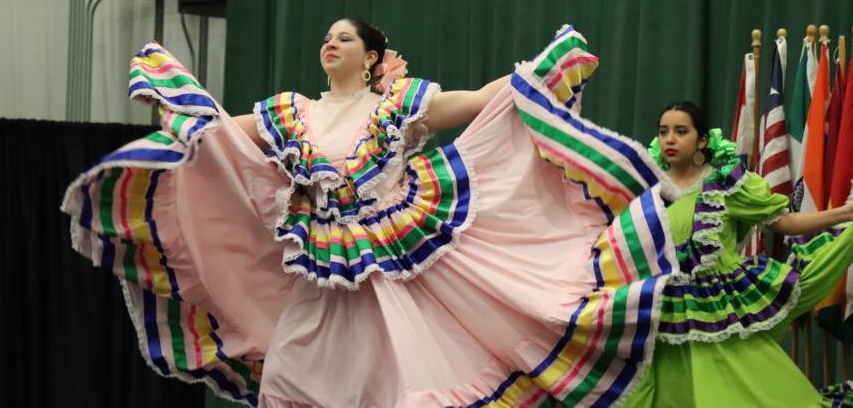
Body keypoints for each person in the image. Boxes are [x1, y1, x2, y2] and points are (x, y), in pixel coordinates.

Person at [61, 21, 678, 407]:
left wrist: (537, 72)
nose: (330, 43)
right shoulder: (290, 111)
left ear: (373, 55)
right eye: (327, 37)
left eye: (345, 37)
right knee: (292, 368)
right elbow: (220, 135)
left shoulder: (400, 106)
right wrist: (179, 94)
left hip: (387, 264)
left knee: (392, 380)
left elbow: (477, 102)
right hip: (318, 265)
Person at [621, 101, 853, 407]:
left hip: (717, 310)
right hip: (662, 309)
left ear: (702, 140)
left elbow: (783, 222)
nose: (670, 140)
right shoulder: (646, 191)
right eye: (663, 132)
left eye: (681, 131)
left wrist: (843, 214)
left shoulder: (722, 186)